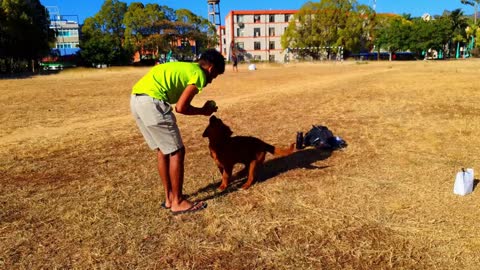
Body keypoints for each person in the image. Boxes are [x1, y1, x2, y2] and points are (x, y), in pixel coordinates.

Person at [130, 49, 225, 215]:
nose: (211, 81)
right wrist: (203, 111)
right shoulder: (199, 75)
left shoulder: (186, 68)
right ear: (211, 68)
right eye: (214, 76)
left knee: (163, 150)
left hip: (136, 99)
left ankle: (169, 198)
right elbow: (181, 107)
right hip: (152, 102)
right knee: (177, 151)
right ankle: (178, 202)